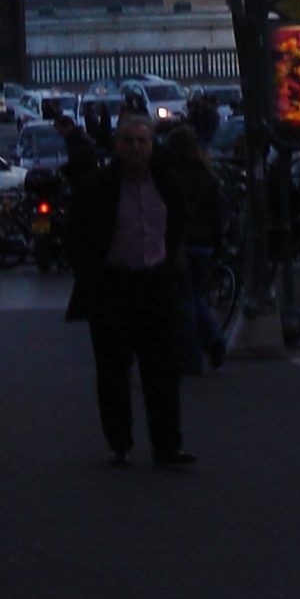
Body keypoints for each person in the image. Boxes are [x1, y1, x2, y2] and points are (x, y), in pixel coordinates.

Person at [66, 113, 194, 468]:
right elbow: (75, 235)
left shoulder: (167, 182)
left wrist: (170, 264)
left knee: (164, 371)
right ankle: (119, 442)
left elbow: (181, 221)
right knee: (113, 372)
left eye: (142, 141)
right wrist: (90, 274)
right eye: (128, 141)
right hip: (112, 285)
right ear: (116, 146)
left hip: (156, 282)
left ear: (152, 146)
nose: (136, 148)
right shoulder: (96, 187)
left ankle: (167, 446)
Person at [159, 125, 229, 373]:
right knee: (195, 295)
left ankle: (196, 352)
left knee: (184, 300)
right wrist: (219, 242)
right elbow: (218, 213)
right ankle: (212, 340)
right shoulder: (207, 176)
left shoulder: (169, 177)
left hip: (179, 243)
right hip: (205, 243)